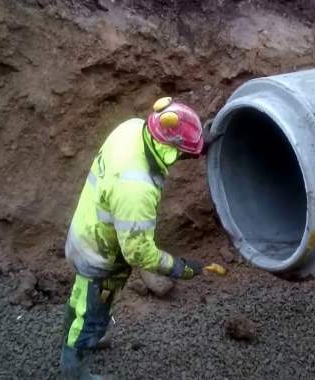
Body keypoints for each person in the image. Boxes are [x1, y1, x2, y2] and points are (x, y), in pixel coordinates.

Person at [60, 97, 212, 380]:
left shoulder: (131, 128)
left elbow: (172, 136)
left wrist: (201, 143)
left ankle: (82, 331)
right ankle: (75, 369)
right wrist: (179, 267)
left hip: (86, 231)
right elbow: (138, 253)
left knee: (81, 296)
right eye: (179, 155)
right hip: (101, 257)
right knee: (93, 312)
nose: (180, 161)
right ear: (168, 151)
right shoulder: (138, 189)